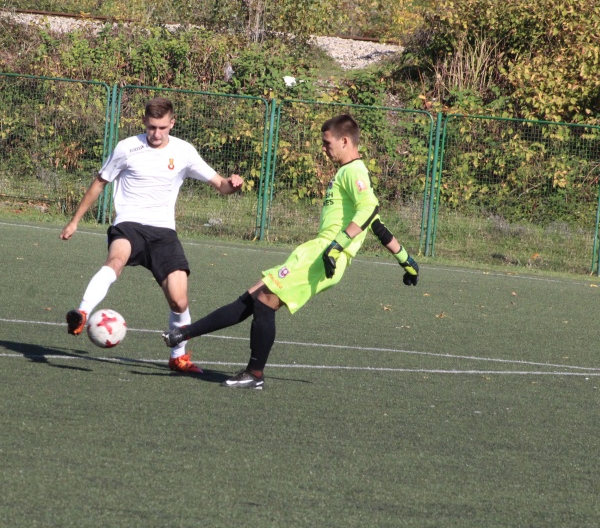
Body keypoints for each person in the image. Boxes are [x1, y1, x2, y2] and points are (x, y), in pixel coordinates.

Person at [161, 114, 419, 389]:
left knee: (265, 301)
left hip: (326, 254)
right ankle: (184, 333)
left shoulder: (354, 170)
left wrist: (336, 247)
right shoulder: (346, 172)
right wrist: (406, 260)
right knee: (252, 297)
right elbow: (376, 224)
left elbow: (369, 208)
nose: (324, 148)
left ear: (345, 141)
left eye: (327, 142)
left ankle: (254, 374)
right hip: (318, 250)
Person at [61, 97, 244, 373]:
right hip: (129, 224)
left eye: (162, 128)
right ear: (144, 122)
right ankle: (82, 312)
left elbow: (221, 185)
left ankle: (178, 357)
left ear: (172, 123)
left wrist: (233, 185)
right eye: (151, 127)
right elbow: (99, 182)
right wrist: (75, 221)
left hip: (163, 232)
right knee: (116, 260)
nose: (156, 134)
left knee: (179, 300)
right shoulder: (127, 147)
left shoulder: (184, 151)